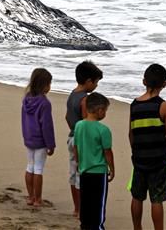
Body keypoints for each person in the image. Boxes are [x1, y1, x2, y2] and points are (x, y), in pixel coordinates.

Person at [128, 64, 166, 230]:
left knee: (137, 196)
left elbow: (131, 134)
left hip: (139, 157)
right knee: (156, 200)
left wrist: (135, 152)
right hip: (158, 159)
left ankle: (137, 228)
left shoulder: (134, 105)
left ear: (144, 81)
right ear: (164, 84)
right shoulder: (164, 107)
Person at [65, 60, 103, 217]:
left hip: (72, 136)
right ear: (89, 81)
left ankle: (77, 208)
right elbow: (87, 121)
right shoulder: (85, 99)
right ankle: (83, 209)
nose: (96, 86)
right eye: (96, 83)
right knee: (83, 175)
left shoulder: (72, 95)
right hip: (82, 141)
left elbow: (67, 117)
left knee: (73, 174)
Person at [74, 92, 114, 230]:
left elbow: (76, 147)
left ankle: (85, 226)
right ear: (99, 110)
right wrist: (112, 169)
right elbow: (107, 152)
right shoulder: (103, 130)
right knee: (98, 203)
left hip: (84, 169)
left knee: (85, 202)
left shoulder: (79, 125)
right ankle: (98, 227)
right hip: (98, 171)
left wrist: (78, 163)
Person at [21, 68, 56, 207]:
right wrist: (51, 144)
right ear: (44, 85)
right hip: (40, 140)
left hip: (29, 138)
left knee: (30, 166)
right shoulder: (44, 103)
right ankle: (38, 198)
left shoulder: (26, 99)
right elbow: (47, 126)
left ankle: (30, 196)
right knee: (38, 169)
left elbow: (23, 119)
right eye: (49, 84)